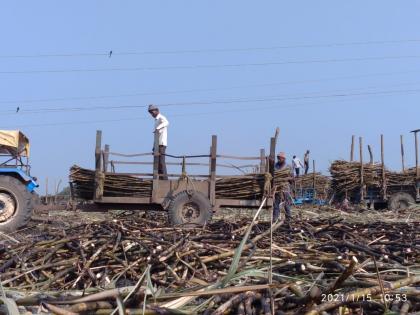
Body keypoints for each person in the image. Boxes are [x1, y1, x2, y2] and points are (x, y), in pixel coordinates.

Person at [148, 104, 169, 180]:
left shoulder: (161, 117)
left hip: (162, 144)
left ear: (157, 111)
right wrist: (154, 146)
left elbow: (166, 122)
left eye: (152, 111)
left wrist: (158, 128)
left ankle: (165, 179)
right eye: (150, 112)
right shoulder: (156, 120)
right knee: (157, 162)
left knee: (161, 162)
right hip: (157, 144)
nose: (151, 114)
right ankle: (160, 179)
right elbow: (156, 136)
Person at [273, 152, 292, 222]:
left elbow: (292, 178)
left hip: (285, 188)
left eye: (280, 158)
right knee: (276, 205)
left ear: (284, 159)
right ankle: (275, 219)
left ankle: (288, 219)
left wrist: (288, 179)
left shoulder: (288, 167)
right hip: (277, 188)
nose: (278, 159)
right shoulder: (275, 166)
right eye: (278, 158)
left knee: (287, 204)